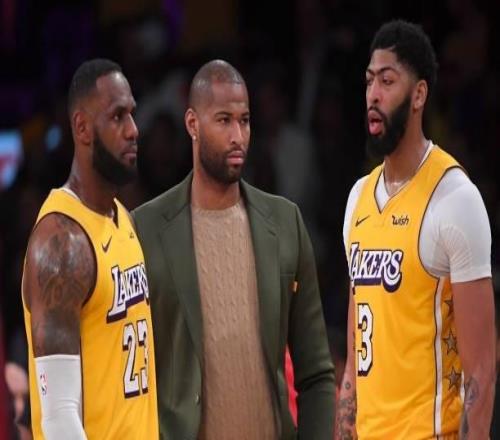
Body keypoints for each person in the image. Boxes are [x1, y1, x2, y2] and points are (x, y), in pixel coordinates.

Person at [132, 59, 335, 439]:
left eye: (245, 120)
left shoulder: (285, 222)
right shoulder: (144, 229)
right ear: (192, 124)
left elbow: (317, 373)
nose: (238, 135)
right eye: (224, 120)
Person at [335, 20, 496, 439]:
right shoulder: (358, 198)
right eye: (369, 80)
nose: (373, 94)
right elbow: (354, 364)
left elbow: (482, 369)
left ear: (419, 94)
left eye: (387, 81)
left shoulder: (454, 198)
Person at [21, 59, 158, 439]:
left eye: (132, 114)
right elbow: (58, 418)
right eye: (117, 117)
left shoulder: (122, 218)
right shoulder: (61, 244)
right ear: (81, 127)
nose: (133, 130)